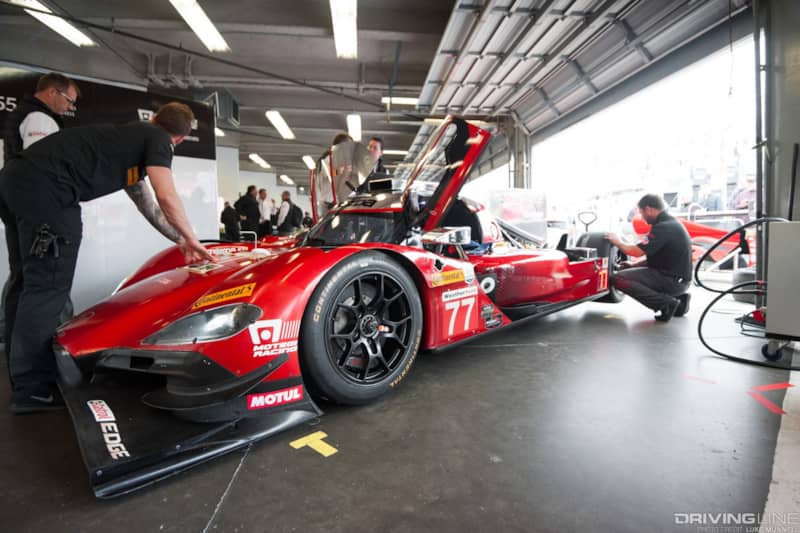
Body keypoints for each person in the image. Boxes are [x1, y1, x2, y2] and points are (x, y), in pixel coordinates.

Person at [0, 102, 214, 413]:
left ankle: (23, 381)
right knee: (46, 290)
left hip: (13, 182)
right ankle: (33, 390)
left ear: (154, 117)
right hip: (49, 191)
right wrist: (195, 240)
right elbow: (166, 196)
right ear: (178, 140)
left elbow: (148, 206)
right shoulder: (157, 140)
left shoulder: (127, 141)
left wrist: (182, 241)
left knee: (24, 283)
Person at [1, 73, 81, 348]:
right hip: (37, 208)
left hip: (18, 202)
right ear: (52, 93)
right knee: (49, 281)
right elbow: (43, 168)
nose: (69, 108)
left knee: (23, 276)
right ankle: (54, 349)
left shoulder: (27, 115)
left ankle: (15, 344)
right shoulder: (40, 119)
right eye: (69, 101)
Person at [605, 194, 692, 323]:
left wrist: (617, 241)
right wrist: (634, 266)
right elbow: (659, 258)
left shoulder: (663, 227)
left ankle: (665, 303)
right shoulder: (672, 223)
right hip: (680, 282)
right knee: (630, 274)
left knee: (617, 278)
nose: (642, 217)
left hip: (671, 281)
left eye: (641, 212)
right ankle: (680, 300)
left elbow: (635, 251)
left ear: (649, 209)